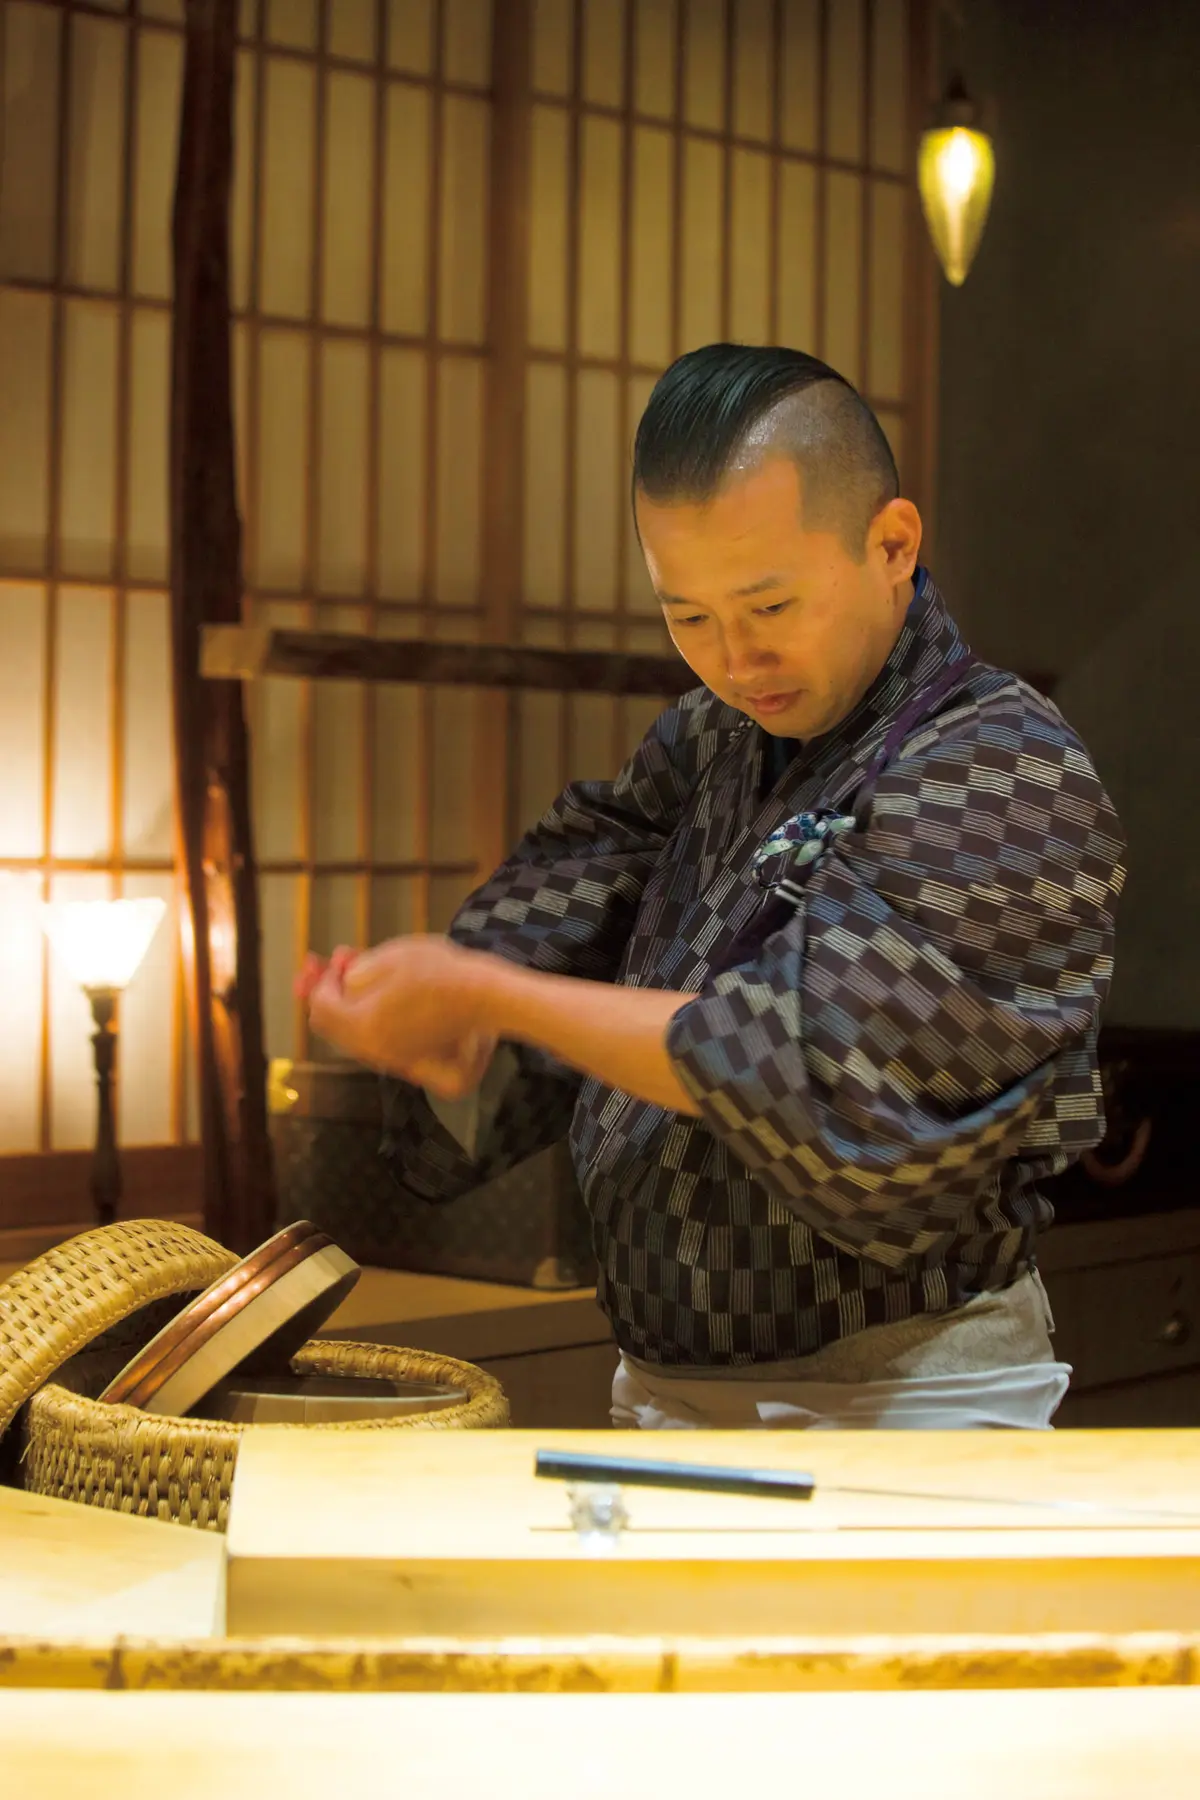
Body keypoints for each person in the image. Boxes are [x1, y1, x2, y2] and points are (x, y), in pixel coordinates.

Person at [300, 343, 1125, 1432]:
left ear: (892, 544)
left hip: (914, 1398)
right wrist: (455, 1030)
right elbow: (565, 918)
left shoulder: (1008, 767)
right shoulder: (711, 742)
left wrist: (488, 997)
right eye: (687, 616)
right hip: (665, 1389)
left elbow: (802, 1056)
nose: (735, 660)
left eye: (769, 606)